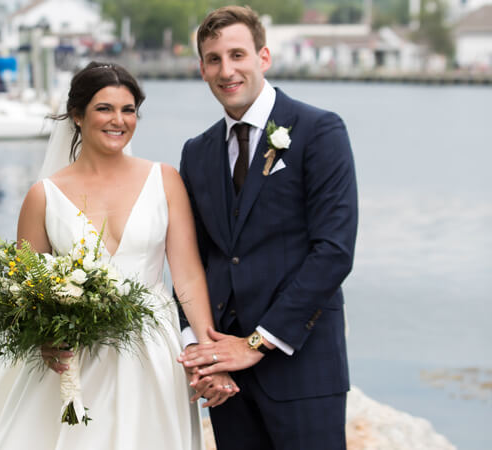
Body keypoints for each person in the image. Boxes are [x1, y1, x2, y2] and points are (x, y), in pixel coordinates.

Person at [0, 61, 229, 450]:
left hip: (151, 349)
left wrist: (207, 351)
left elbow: (189, 275)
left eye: (128, 110)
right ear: (76, 115)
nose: (118, 120)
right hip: (72, 355)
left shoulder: (165, 180)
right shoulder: (44, 195)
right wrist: (44, 338)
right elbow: (25, 290)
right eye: (104, 109)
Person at [175, 6, 358, 450]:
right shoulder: (196, 153)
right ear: (201, 69)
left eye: (237, 54)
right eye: (214, 59)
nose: (227, 70)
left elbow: (333, 251)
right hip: (226, 381)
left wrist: (255, 344)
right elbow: (192, 262)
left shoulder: (319, 130)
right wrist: (203, 353)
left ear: (264, 57)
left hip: (303, 371)